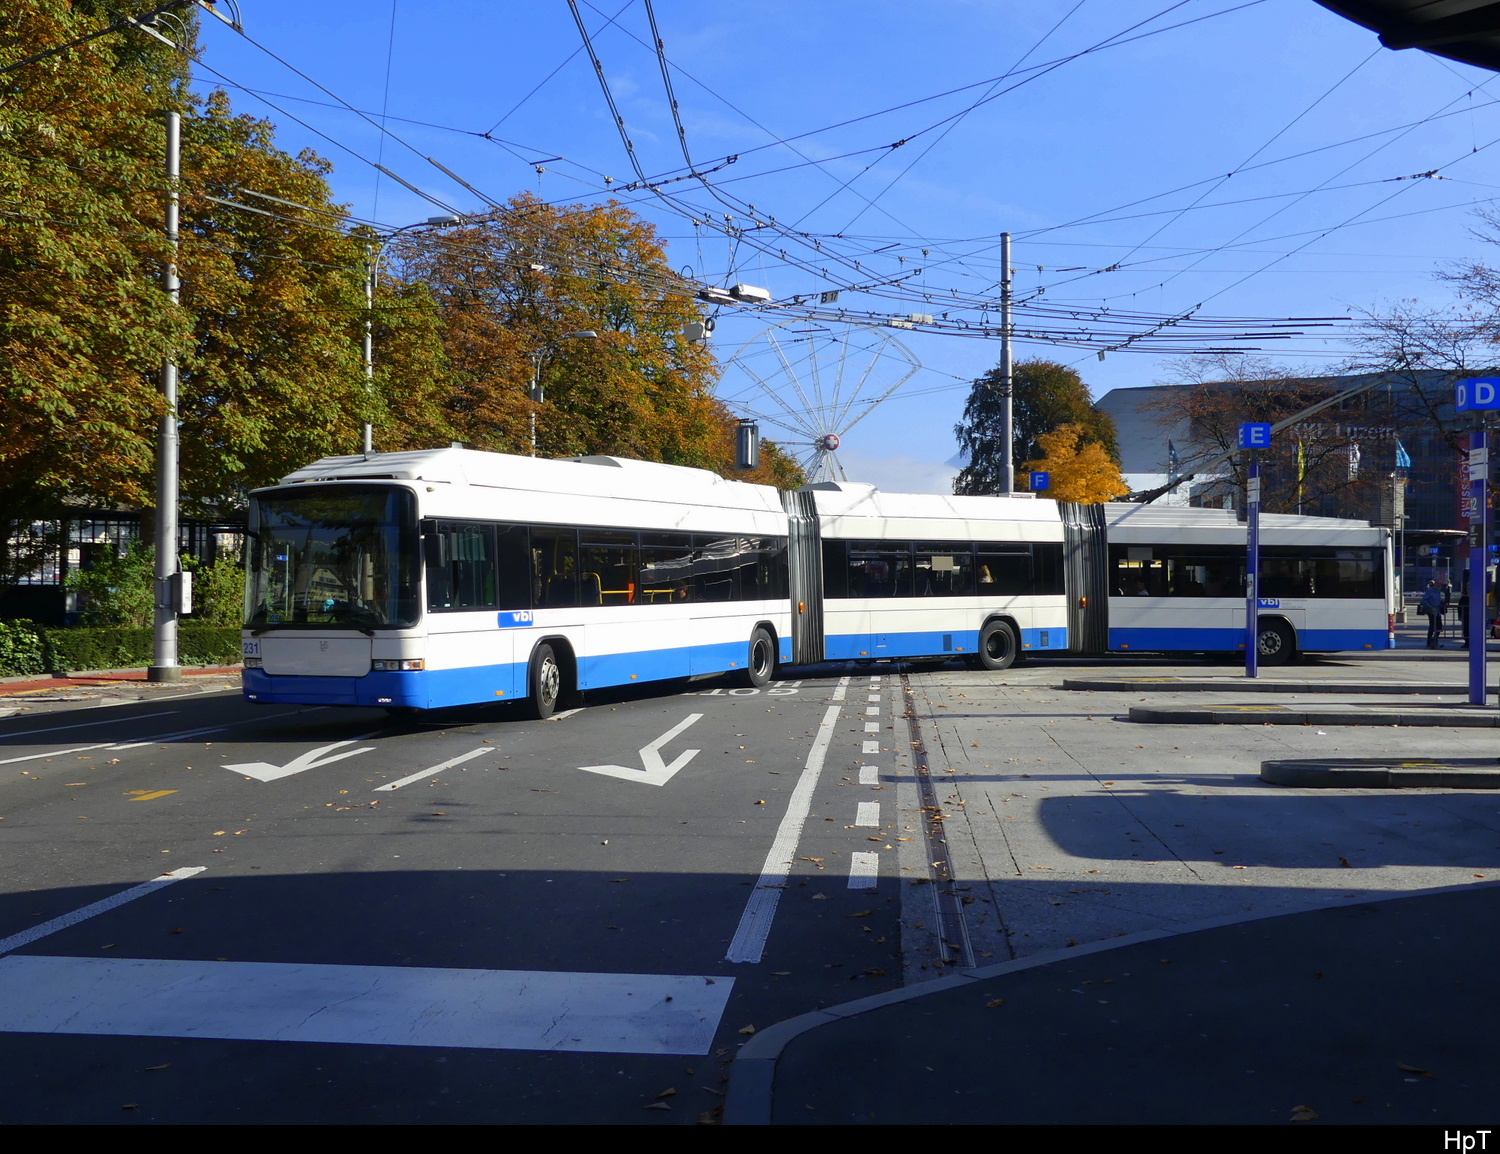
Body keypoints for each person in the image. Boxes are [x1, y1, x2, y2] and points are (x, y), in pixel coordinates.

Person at [1419, 579, 1444, 649]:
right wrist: (1430, 607)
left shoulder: (1438, 591)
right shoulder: (1430, 590)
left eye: (1441, 584)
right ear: (1435, 583)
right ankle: (1430, 641)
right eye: (1439, 584)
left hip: (1438, 611)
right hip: (1432, 611)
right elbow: (1424, 600)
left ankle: (1434, 639)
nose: (1440, 585)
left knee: (1439, 627)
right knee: (1432, 626)